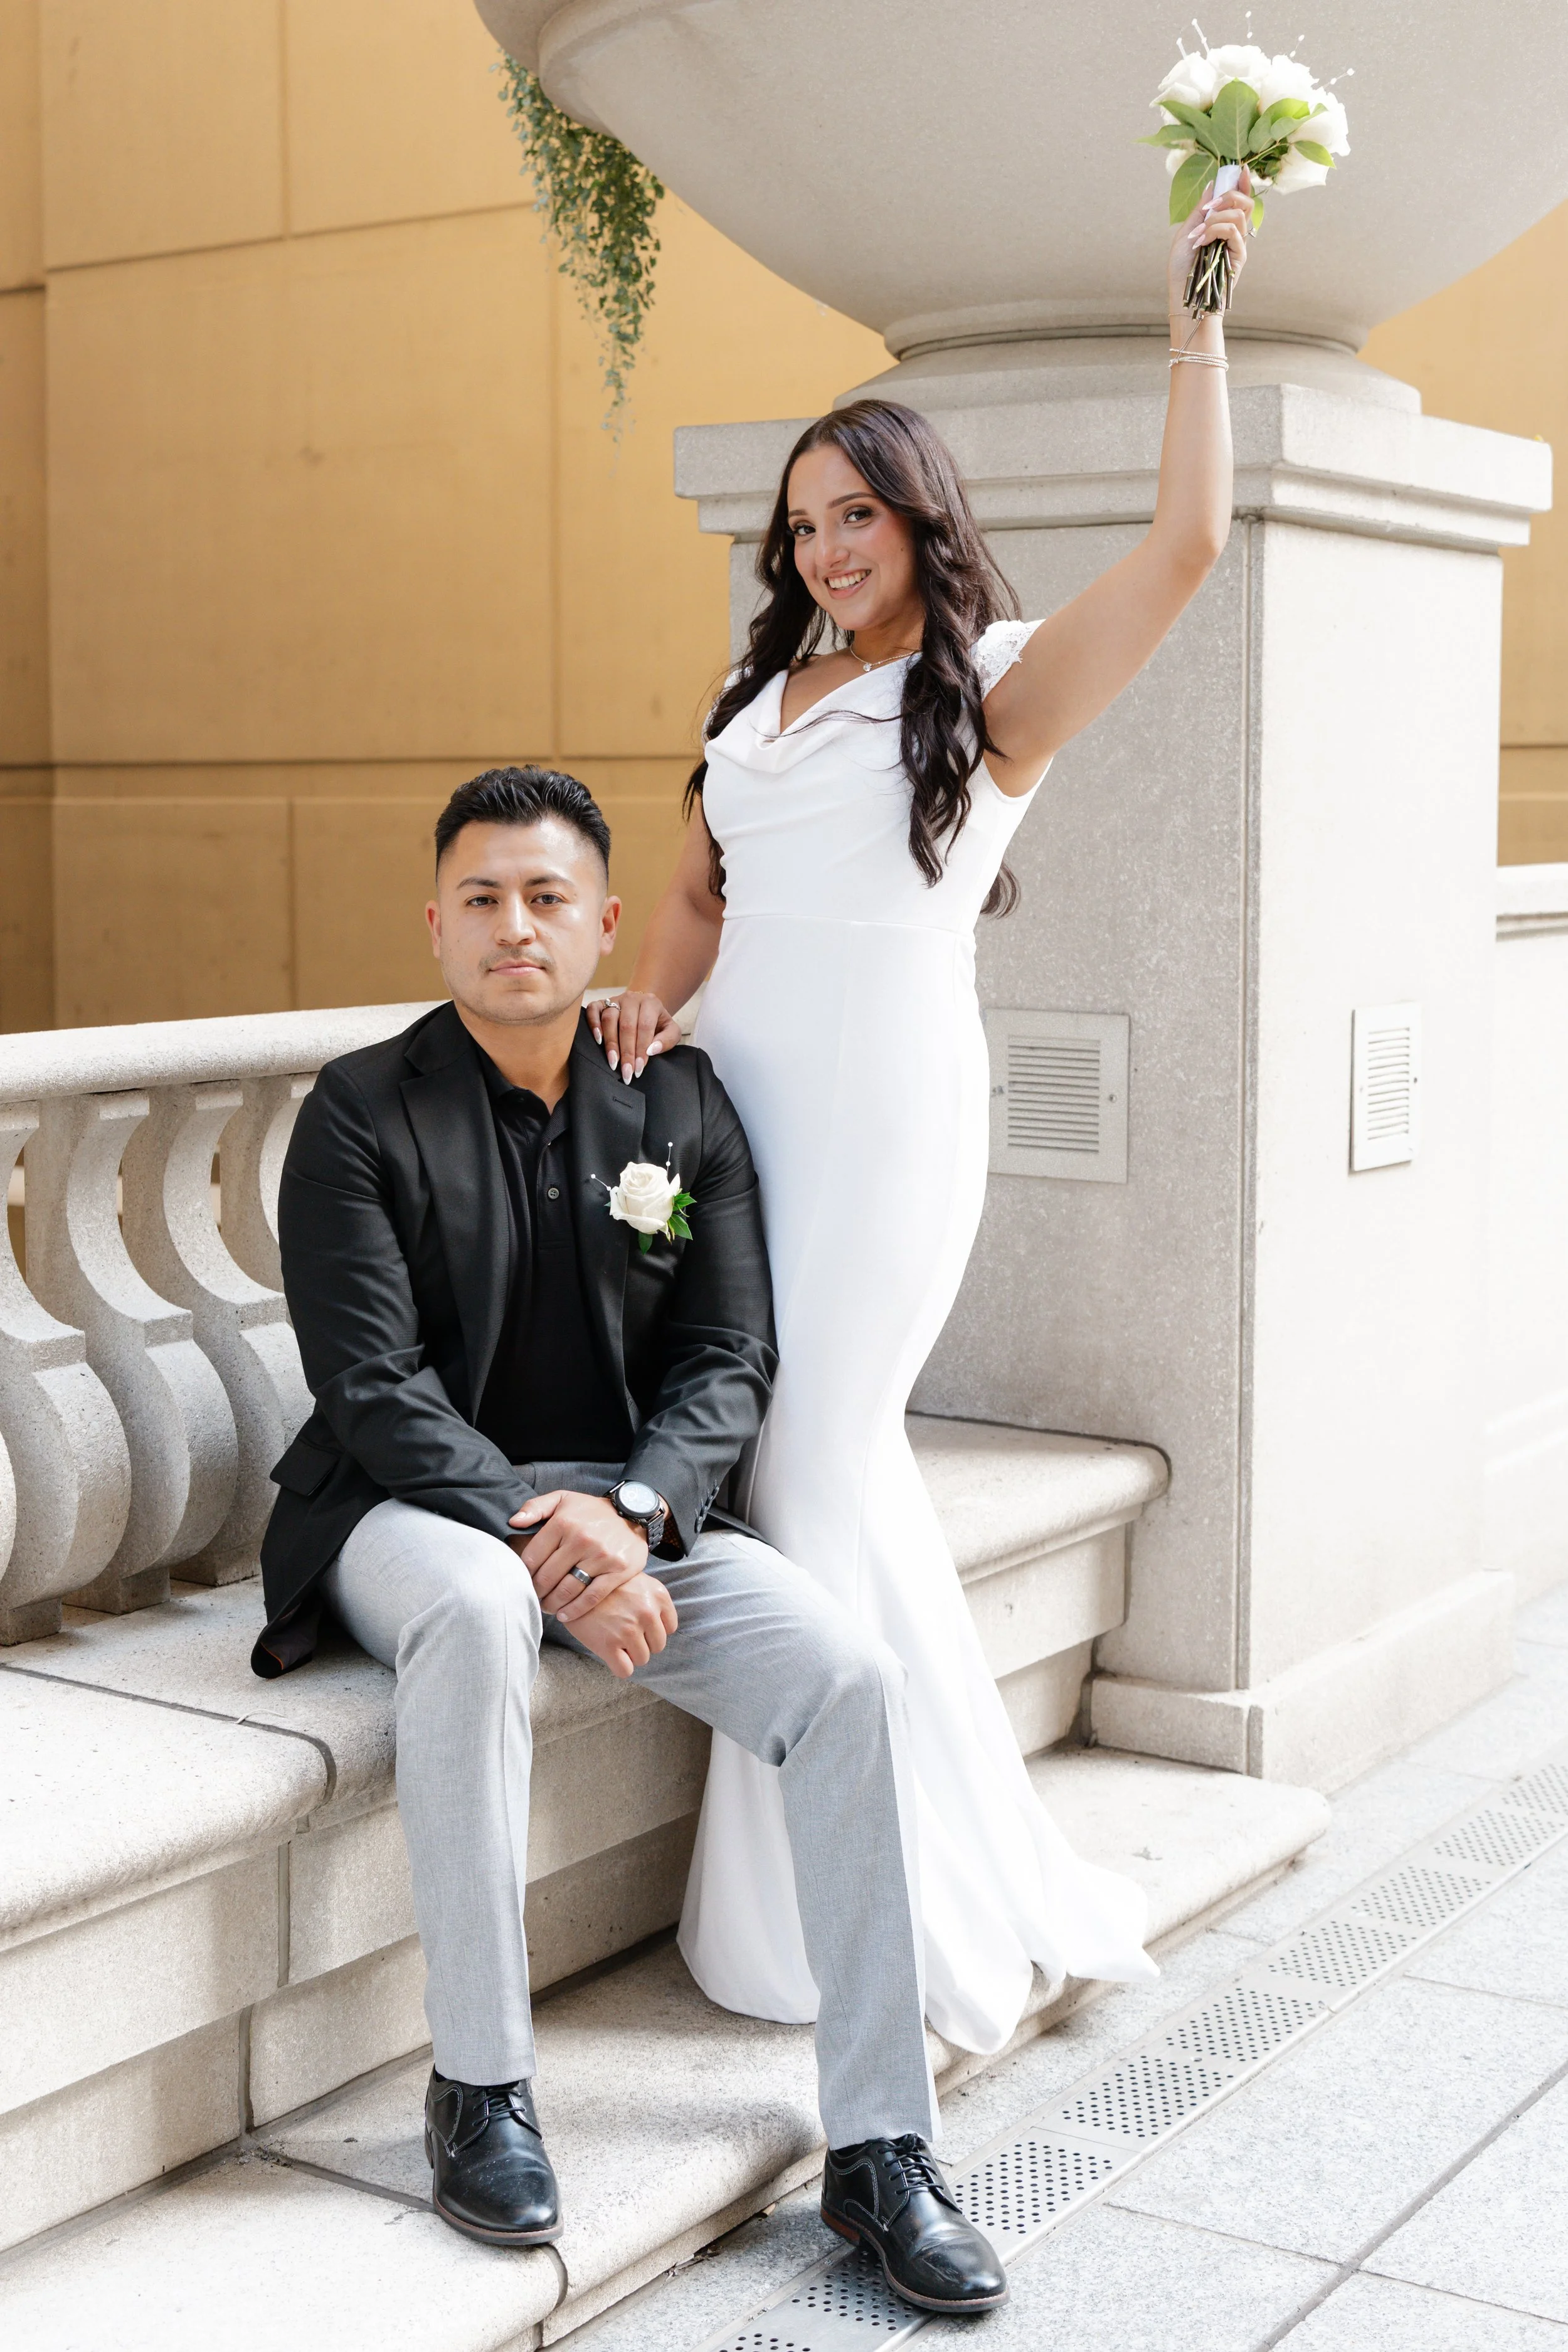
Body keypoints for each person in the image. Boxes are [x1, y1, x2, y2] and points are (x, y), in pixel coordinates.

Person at [591, 179, 1256, 2050]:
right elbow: (704, 885)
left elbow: (1188, 545)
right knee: (779, 1460)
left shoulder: (990, 692)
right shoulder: (764, 691)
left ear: (917, 518)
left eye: (854, 516)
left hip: (883, 1116)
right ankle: (838, 1870)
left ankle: (879, 1897)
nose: (823, 549)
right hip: (734, 1109)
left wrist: (1195, 320)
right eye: (801, 524)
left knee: (816, 1451)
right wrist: (652, 1000)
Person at [249, 765, 1007, 2314]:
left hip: (633, 1509)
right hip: (409, 1512)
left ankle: (879, 2148)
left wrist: (638, 1513)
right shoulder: (358, 1110)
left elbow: (728, 1356)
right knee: (477, 1608)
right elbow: (371, 1386)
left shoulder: (678, 1102)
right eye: (480, 898)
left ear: (605, 922)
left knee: (847, 1676)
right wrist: (555, 1538)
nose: (513, 927)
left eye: (547, 897)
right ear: (436, 925)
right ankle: (480, 2087)